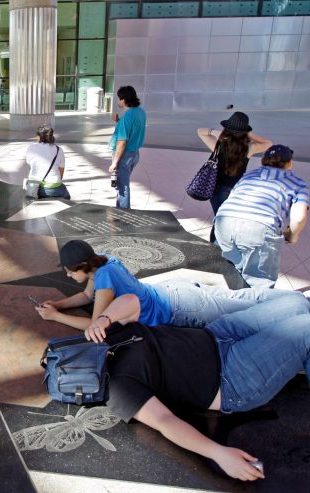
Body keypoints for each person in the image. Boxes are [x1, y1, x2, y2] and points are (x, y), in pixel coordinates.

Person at [87, 292, 310, 481]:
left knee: (297, 302)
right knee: (306, 330)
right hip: (232, 376)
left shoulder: (109, 336)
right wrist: (219, 453)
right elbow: (165, 422)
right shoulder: (118, 387)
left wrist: (103, 319)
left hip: (219, 334)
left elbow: (132, 300)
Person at [34, 239, 302, 337]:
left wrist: (56, 317)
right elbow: (84, 296)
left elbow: (95, 325)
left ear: (83, 265)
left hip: (179, 306)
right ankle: (294, 300)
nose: (68, 275)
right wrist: (57, 305)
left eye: (70, 271)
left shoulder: (103, 281)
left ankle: (298, 310)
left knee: (247, 310)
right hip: (174, 290)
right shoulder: (103, 260)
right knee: (244, 296)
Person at [214, 144, 309, 288]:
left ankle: (238, 298)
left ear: (263, 161)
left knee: (238, 268)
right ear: (290, 161)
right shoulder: (298, 183)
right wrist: (291, 236)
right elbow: (299, 217)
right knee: (260, 283)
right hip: (259, 227)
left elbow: (232, 197)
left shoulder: (249, 175)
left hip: (223, 224)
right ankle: (254, 303)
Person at [196, 112, 272, 242]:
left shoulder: (218, 146)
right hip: (233, 190)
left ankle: (215, 245)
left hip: (213, 188)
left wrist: (215, 132)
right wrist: (247, 134)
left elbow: (200, 131)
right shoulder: (249, 148)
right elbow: (268, 143)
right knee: (225, 220)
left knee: (219, 218)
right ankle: (221, 245)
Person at [109, 86, 146, 209]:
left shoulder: (127, 117)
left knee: (122, 186)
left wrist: (114, 163)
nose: (118, 101)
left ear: (124, 100)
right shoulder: (140, 112)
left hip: (124, 155)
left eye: (119, 99)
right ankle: (121, 209)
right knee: (122, 183)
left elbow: (122, 142)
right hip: (134, 153)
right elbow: (133, 129)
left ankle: (123, 214)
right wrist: (118, 122)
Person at [25, 125, 69, 200]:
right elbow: (61, 171)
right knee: (67, 196)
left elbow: (29, 163)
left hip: (34, 189)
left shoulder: (31, 147)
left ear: (39, 136)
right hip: (54, 189)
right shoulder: (59, 150)